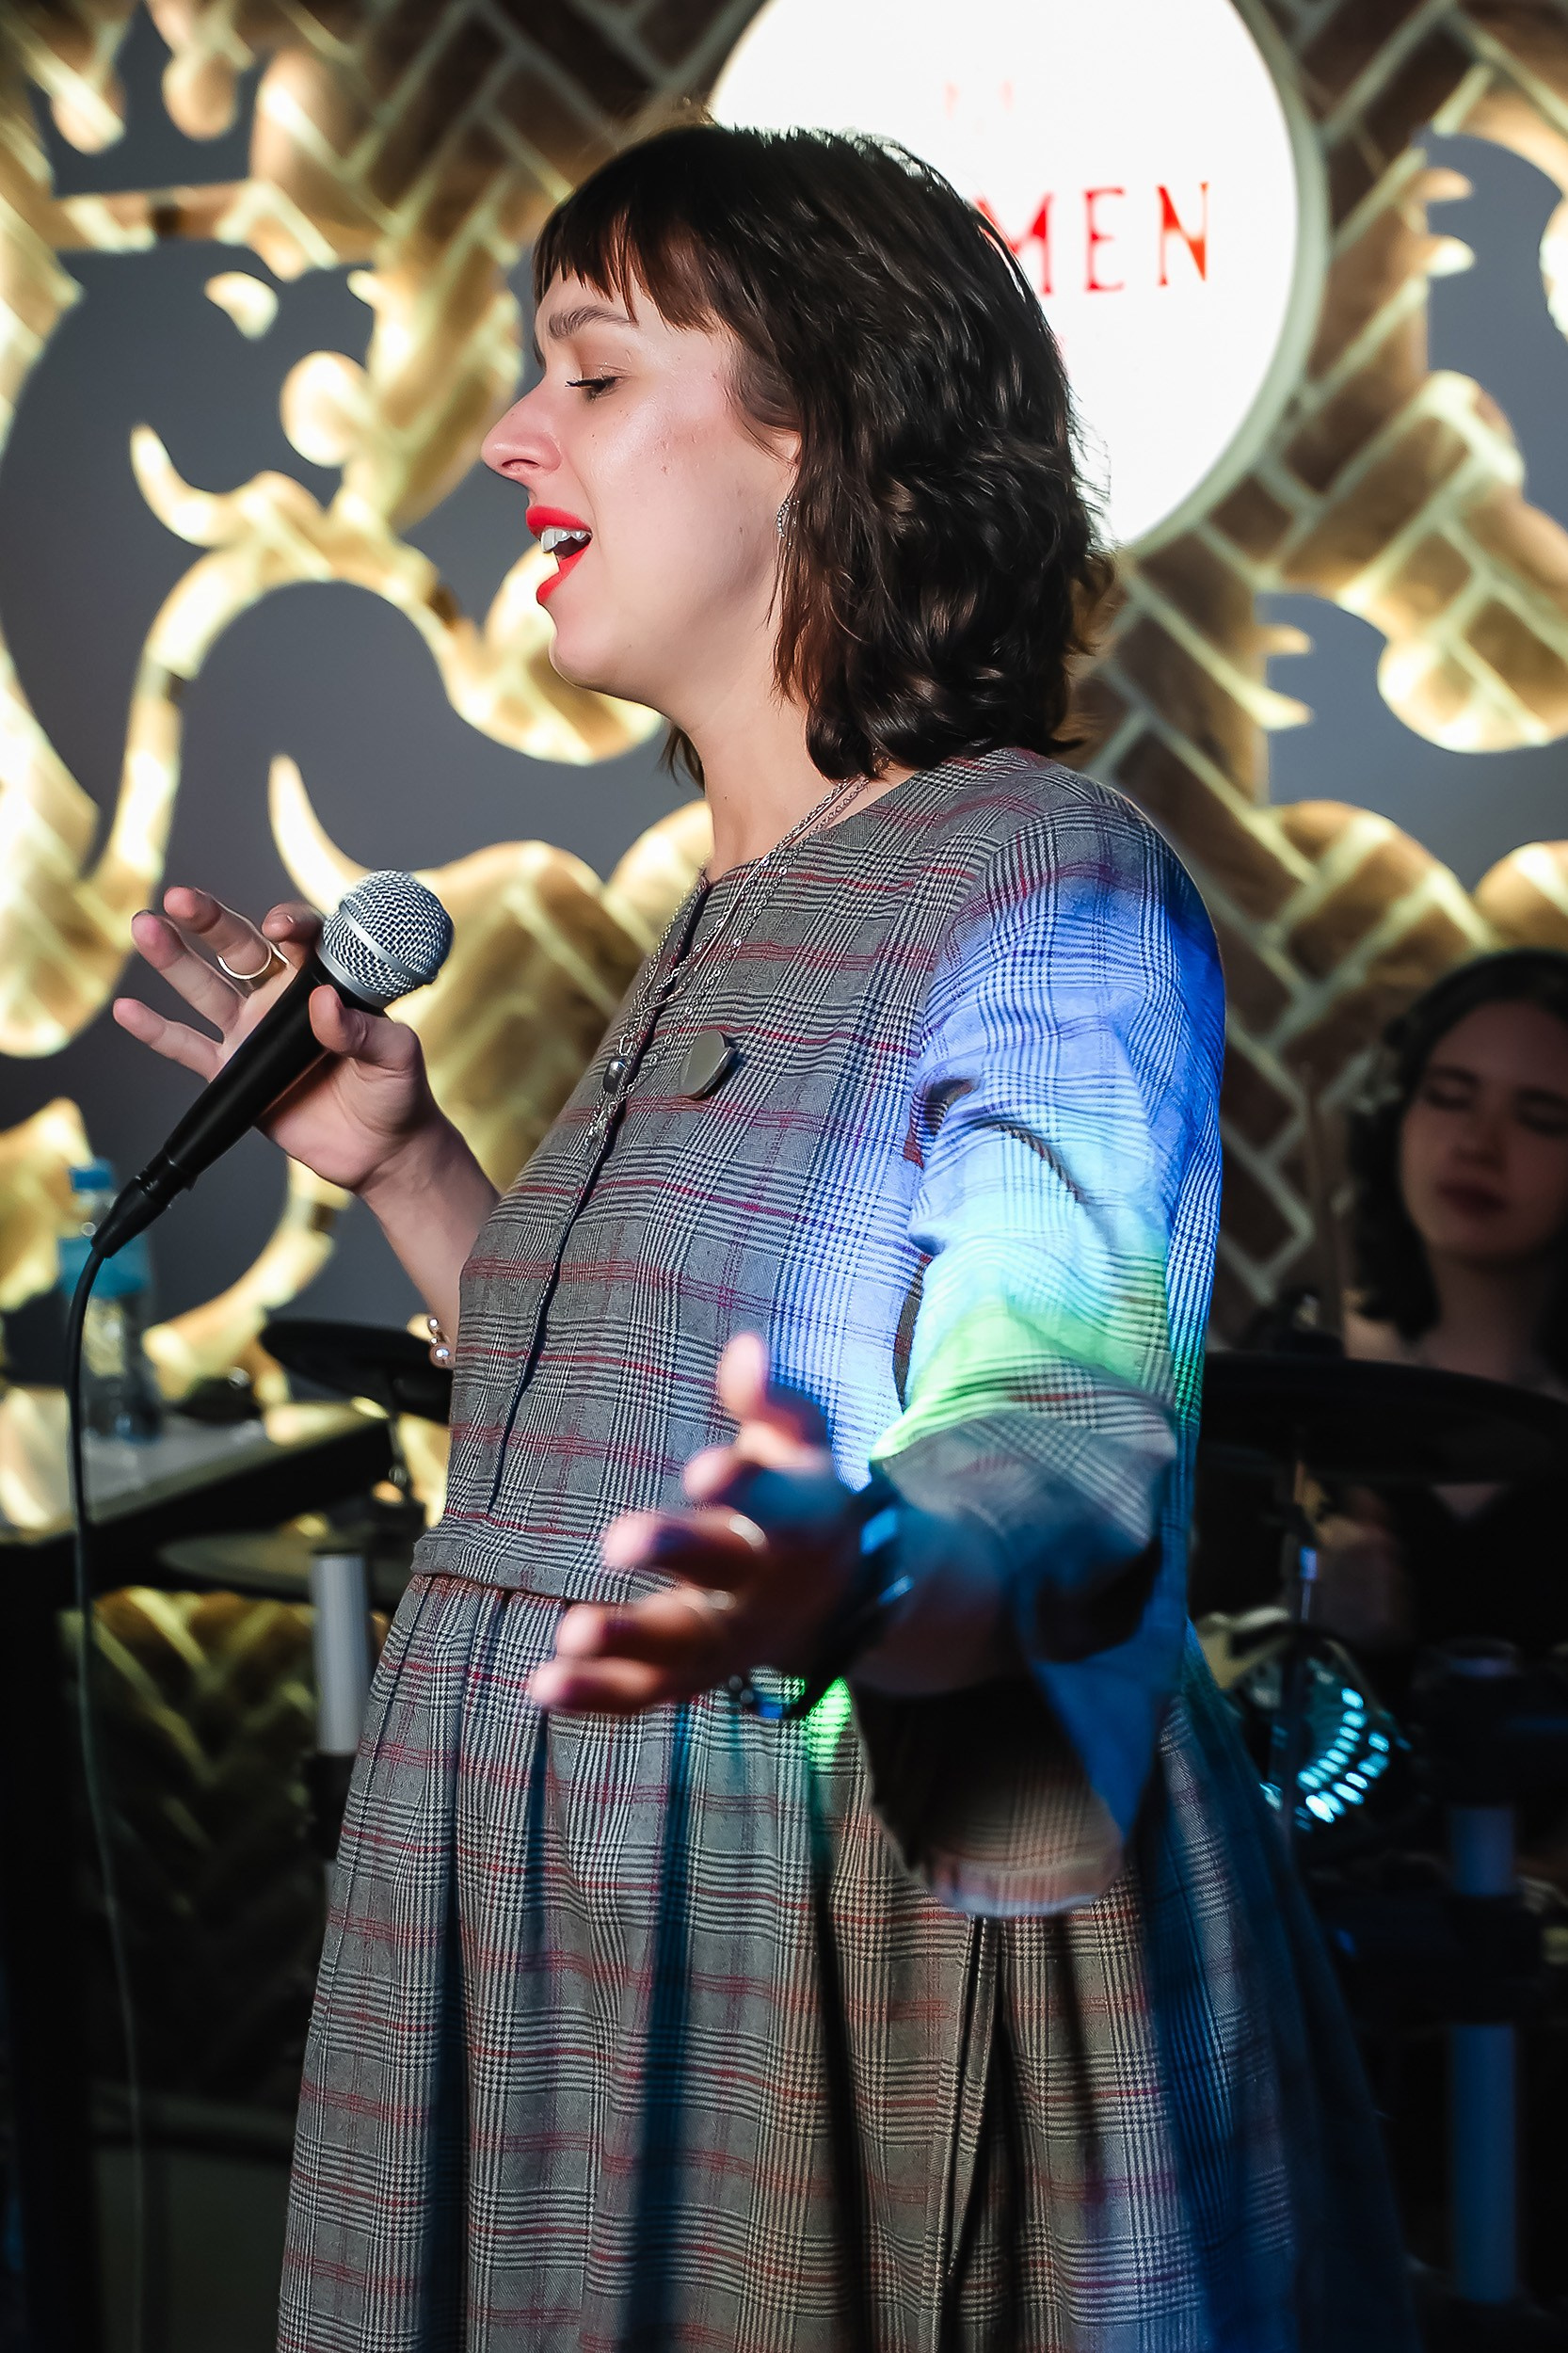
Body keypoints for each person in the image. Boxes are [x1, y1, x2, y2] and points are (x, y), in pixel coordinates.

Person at [116, 124, 1415, 2352]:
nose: (510, 434)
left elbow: (1057, 1418)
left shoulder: (1033, 870)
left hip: (803, 1936)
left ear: (837, 431)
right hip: (564, 1931)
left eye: (592, 371)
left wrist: (867, 1572)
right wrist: (409, 1168)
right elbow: (610, 1435)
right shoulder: (732, 902)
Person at [1299, 951, 1568, 1663]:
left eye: (1541, 1118)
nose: (1479, 1145)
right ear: (1393, 1120)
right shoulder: (1301, 1361)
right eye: (1449, 1096)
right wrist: (1297, 1613)